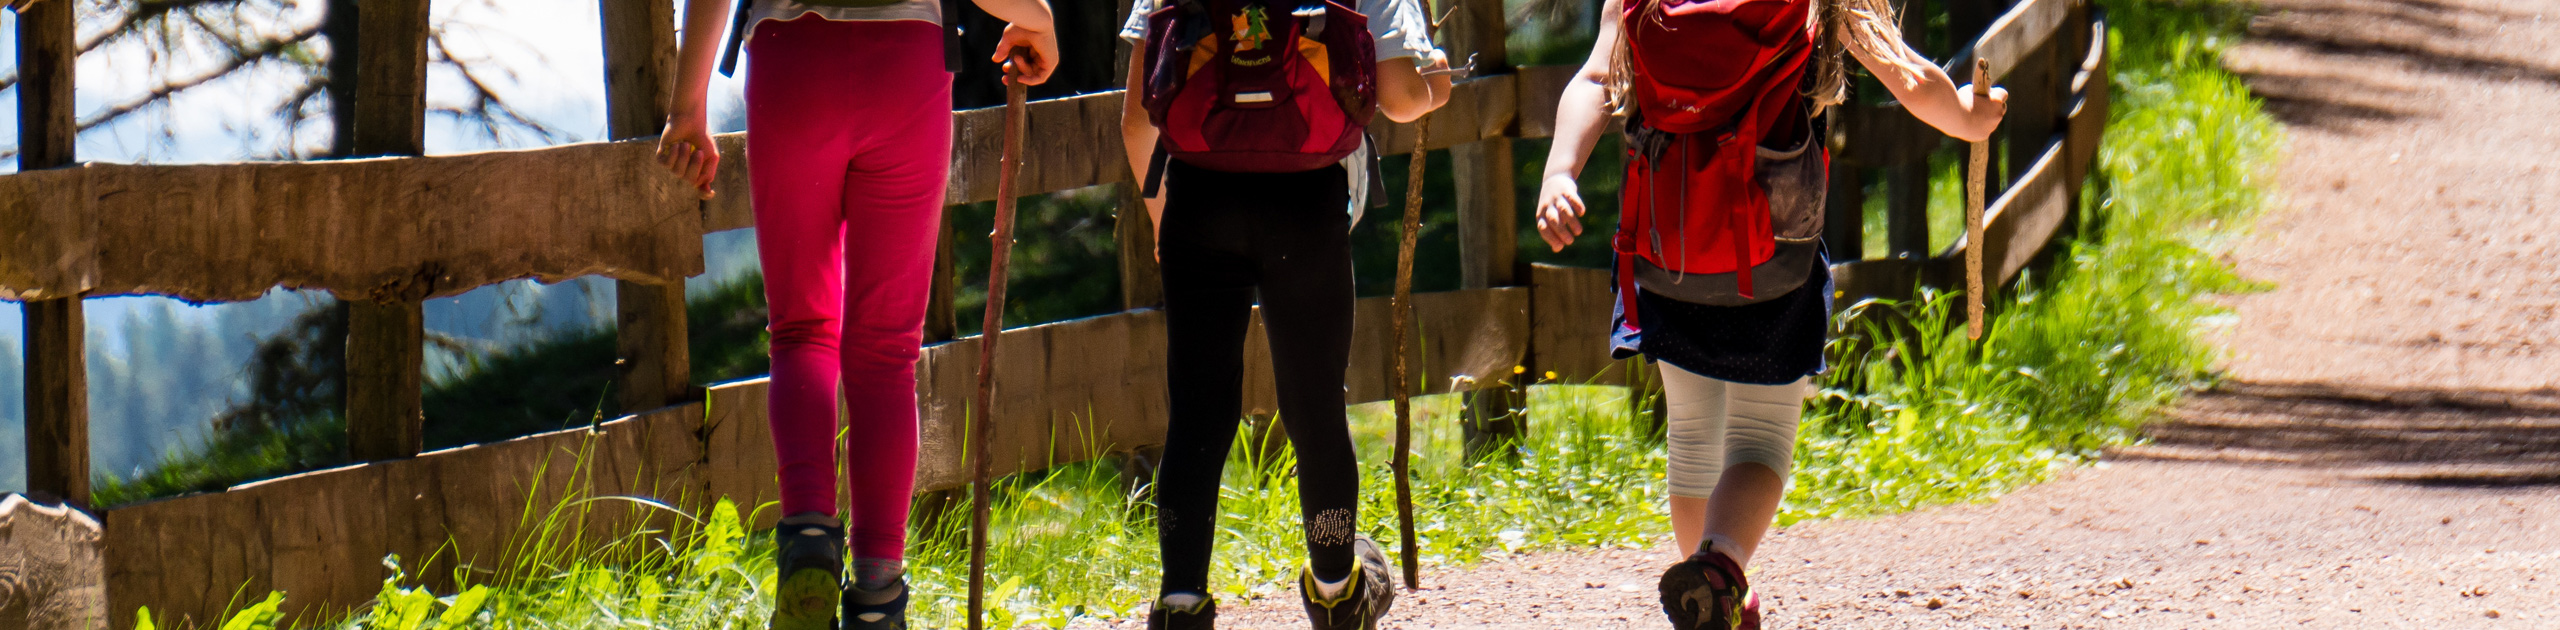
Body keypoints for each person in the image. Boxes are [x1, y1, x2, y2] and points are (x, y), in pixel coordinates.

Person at [1531, 0, 2006, 628]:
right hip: (1772, 260)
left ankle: (1713, 594)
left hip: (1666, 255)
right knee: (1758, 444)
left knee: (1693, 434)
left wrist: (1560, 170)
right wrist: (1971, 119)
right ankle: (1720, 567)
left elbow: (1596, 78)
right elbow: (1909, 78)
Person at [653, 0, 1056, 626]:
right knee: (886, 351)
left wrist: (686, 108)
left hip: (794, 65)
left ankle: (809, 546)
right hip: (906, 70)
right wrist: (1038, 16)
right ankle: (877, 592)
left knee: (801, 331)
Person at [1116, 0, 1453, 626]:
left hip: (1197, 198)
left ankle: (1181, 600)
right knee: (1315, 407)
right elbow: (1404, 95)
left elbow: (1139, 117)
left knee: (1196, 414)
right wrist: (1440, 83)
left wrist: (1165, 223)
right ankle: (1334, 589)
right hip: (1307, 201)